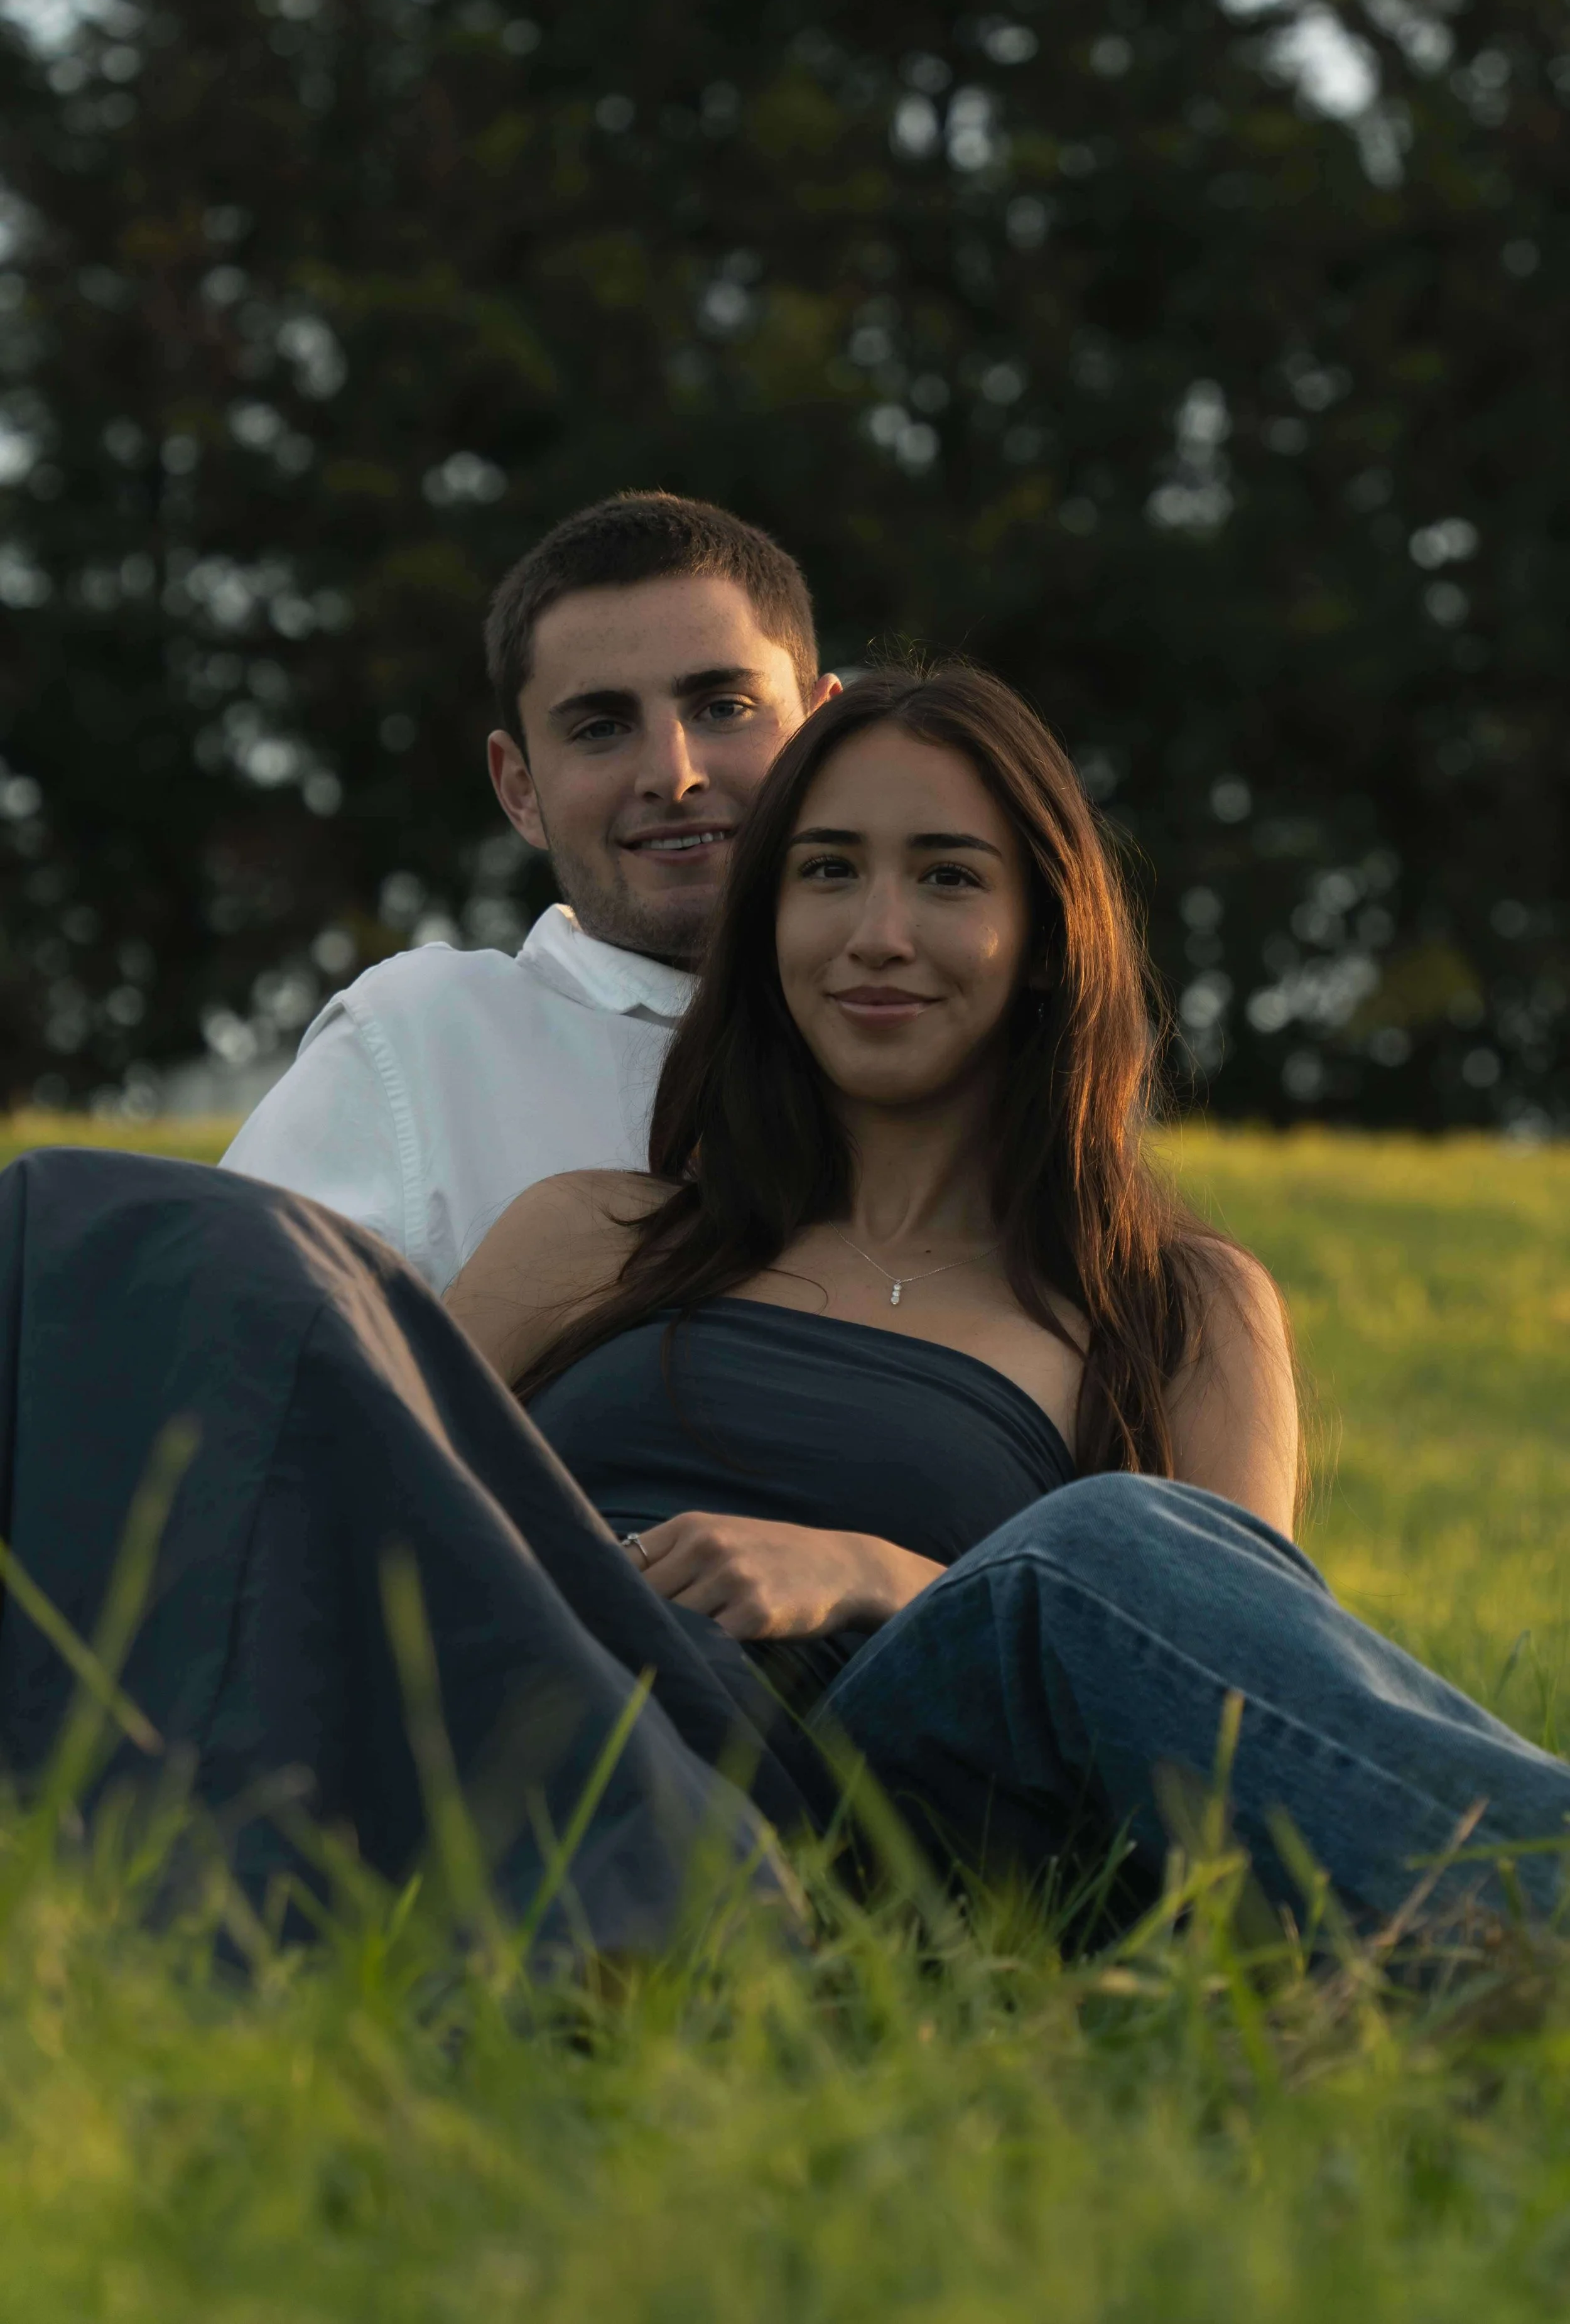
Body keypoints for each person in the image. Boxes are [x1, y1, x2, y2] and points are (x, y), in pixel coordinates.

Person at [4, 666, 1564, 1958]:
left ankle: (1522, 1910)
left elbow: (1227, 1701)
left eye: (947, 877)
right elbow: (369, 1473)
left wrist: (881, 1574)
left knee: (1113, 1544)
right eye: (826, 872)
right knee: (89, 1210)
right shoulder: (600, 1231)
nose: (876, 931)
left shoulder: (1175, 1305)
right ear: (768, 925)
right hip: (553, 1694)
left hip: (854, 1806)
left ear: (1043, 943)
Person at [220, 492, 840, 1292]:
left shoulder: (945, 1040)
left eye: (725, 708)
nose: (674, 774)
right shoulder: (421, 1047)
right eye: (600, 728)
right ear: (519, 789)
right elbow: (216, 1378)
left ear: (825, 736)